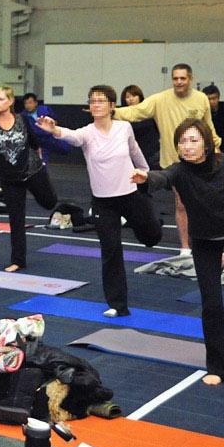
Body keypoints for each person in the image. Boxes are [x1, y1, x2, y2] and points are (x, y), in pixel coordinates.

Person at [133, 118, 224, 385]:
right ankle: (218, 368)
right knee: (211, 304)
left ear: (206, 144)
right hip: (204, 241)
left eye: (193, 140)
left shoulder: (223, 164)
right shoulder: (179, 171)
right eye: (182, 142)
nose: (187, 146)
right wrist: (146, 178)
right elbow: (162, 177)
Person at [36, 85, 161, 317]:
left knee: (151, 236)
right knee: (111, 250)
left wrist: (146, 174)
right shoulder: (87, 133)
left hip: (131, 194)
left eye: (101, 101)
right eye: (92, 101)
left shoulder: (124, 128)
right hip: (104, 202)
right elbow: (71, 136)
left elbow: (135, 152)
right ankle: (118, 305)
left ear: (112, 106)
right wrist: (54, 130)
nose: (96, 105)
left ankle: (151, 231)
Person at [114, 64, 220, 257]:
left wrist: (216, 149)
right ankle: (186, 248)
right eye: (175, 78)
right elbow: (135, 112)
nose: (179, 82)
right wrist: (111, 111)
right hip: (174, 163)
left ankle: (207, 242)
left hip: (201, 160)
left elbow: (208, 127)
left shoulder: (201, 99)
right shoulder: (159, 99)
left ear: (190, 79)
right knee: (182, 204)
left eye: (182, 78)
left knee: (205, 202)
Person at [0, 84, 58, 272]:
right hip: (9, 179)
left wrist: (41, 159)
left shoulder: (22, 119)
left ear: (11, 101)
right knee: (16, 219)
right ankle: (18, 260)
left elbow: (34, 141)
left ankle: (48, 192)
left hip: (32, 171)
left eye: (1, 99)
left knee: (49, 202)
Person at [20, 92, 70, 164]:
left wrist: (52, 124)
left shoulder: (45, 110)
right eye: (26, 103)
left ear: (36, 103)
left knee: (66, 148)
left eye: (30, 103)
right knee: (42, 163)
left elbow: (56, 121)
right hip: (38, 141)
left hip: (51, 137)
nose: (28, 105)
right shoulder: (23, 116)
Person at [120, 85, 160, 170]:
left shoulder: (149, 112)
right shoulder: (121, 116)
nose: (131, 99)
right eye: (127, 97)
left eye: (134, 96)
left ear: (140, 97)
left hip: (152, 154)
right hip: (132, 156)